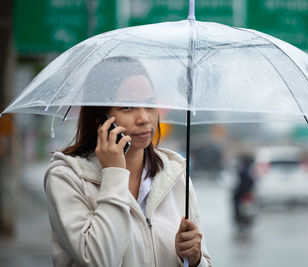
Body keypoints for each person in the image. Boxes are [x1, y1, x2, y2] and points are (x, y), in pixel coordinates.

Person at [44, 57, 212, 267]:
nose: (144, 118)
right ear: (100, 117)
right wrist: (114, 172)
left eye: (149, 104)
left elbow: (204, 260)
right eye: (128, 107)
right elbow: (99, 259)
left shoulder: (175, 174)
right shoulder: (67, 177)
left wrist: (194, 260)